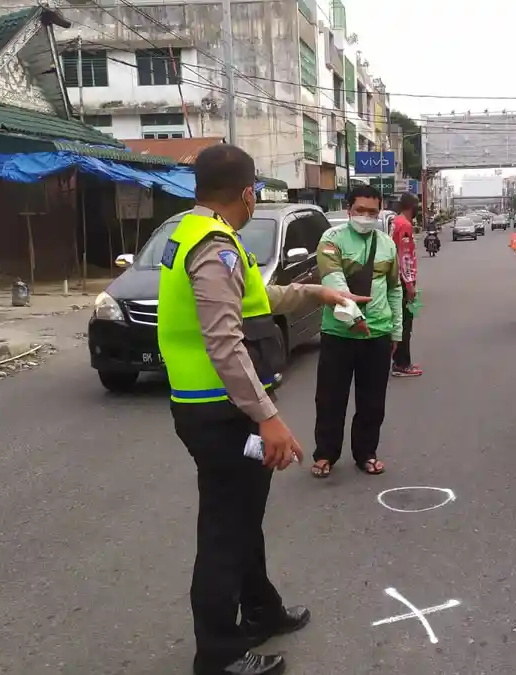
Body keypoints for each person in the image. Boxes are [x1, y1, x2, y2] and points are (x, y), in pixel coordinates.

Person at [159, 144, 369, 675]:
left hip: (215, 407)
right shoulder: (214, 246)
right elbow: (223, 341)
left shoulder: (195, 232)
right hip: (220, 411)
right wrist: (266, 417)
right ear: (249, 193)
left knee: (243, 518)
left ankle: (261, 611)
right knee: (226, 531)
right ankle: (219, 654)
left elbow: (258, 299)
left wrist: (317, 293)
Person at [311, 183, 403, 478]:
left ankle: (366, 453)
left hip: (378, 334)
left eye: (372, 211)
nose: (365, 216)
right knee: (330, 399)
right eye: (360, 210)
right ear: (349, 208)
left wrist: (397, 332)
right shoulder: (331, 239)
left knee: (372, 401)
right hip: (338, 334)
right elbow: (333, 281)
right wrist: (353, 318)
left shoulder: (387, 244)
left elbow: (395, 289)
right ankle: (325, 454)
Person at [390, 192, 422, 377]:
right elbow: (405, 257)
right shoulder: (405, 225)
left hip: (395, 279)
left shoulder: (395, 222)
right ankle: (402, 364)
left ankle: (399, 361)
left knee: (399, 321)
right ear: (412, 206)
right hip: (402, 281)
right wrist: (410, 286)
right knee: (405, 323)